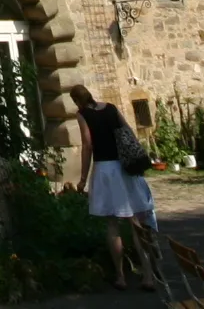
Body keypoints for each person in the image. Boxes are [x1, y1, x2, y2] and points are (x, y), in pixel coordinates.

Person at [71, 84, 158, 291]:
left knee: (112, 224)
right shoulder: (110, 108)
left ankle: (120, 276)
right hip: (125, 167)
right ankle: (148, 276)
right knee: (135, 222)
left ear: (76, 100)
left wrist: (83, 176)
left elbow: (87, 144)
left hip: (105, 170)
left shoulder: (82, 114)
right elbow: (128, 131)